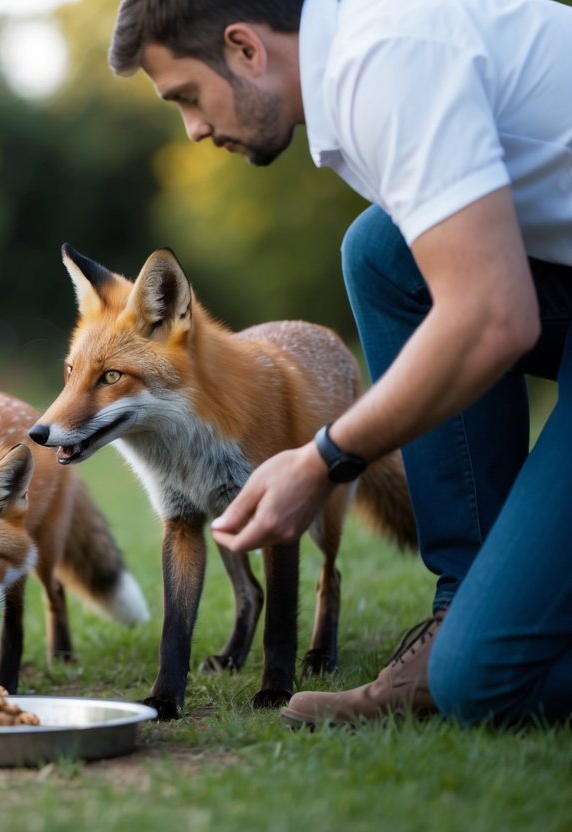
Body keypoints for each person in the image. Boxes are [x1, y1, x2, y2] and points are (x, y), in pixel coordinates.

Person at [107, 0, 572, 727]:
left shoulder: (383, 64)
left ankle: (476, 647)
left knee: (483, 684)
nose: (193, 129)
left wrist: (323, 459)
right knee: (382, 252)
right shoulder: (355, 68)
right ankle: (463, 599)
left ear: (244, 49)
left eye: (187, 98)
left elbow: (492, 316)